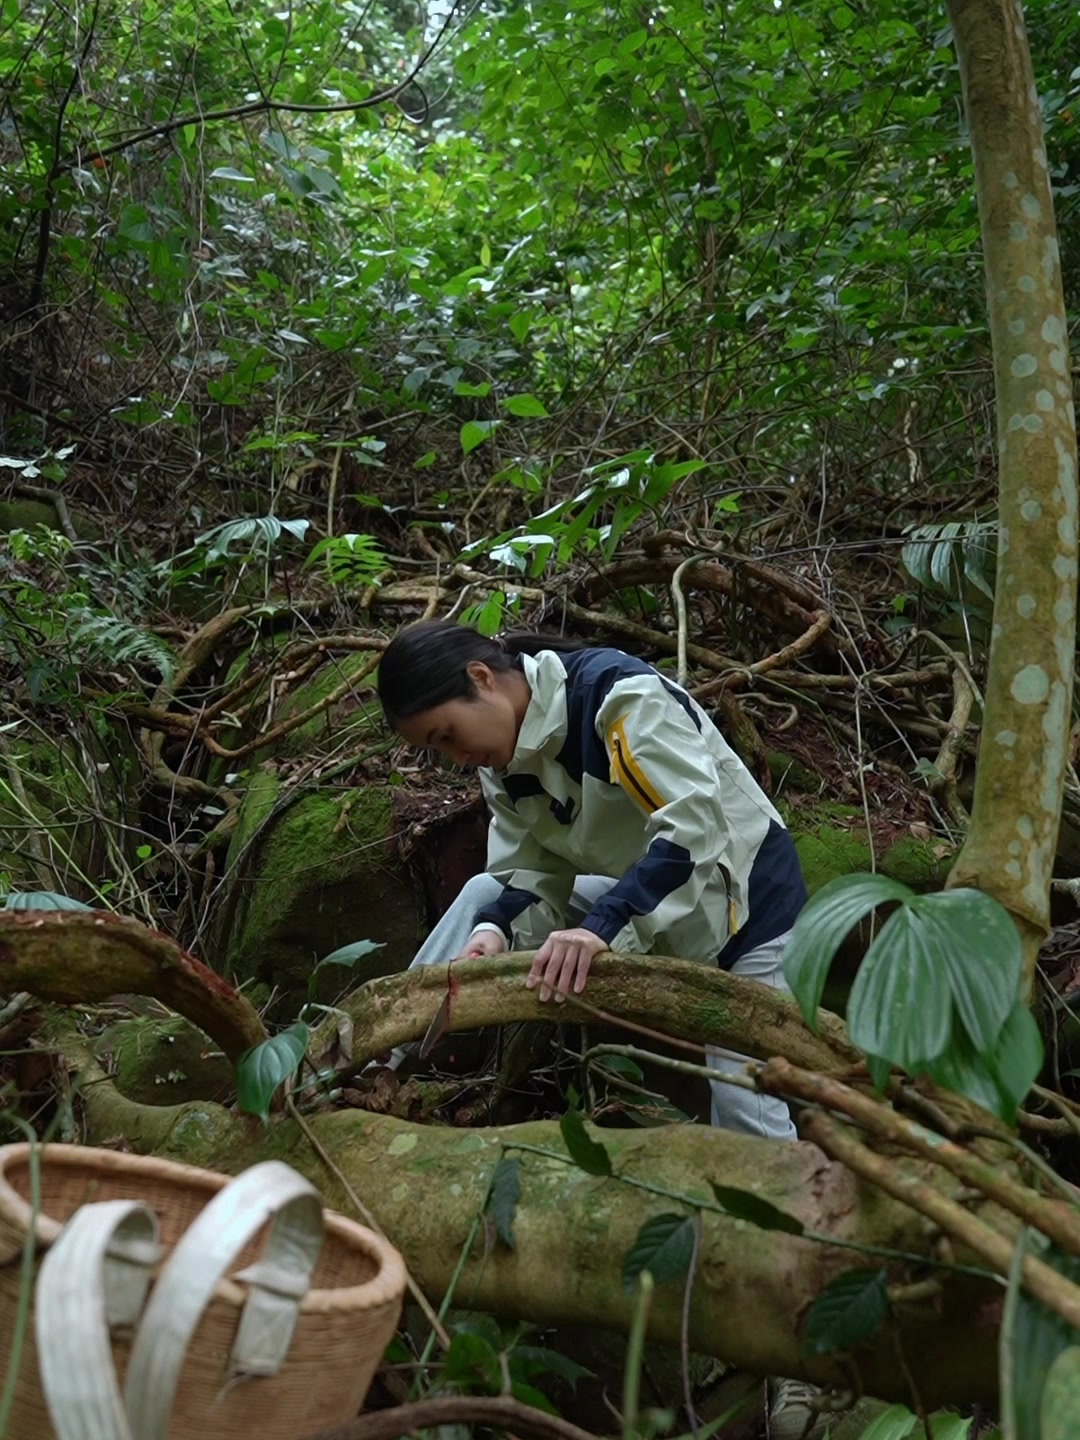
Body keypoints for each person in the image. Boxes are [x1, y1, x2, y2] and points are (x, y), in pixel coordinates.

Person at [375, 620, 824, 1438]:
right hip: (635, 910)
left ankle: (800, 1359)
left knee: (752, 1120)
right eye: (434, 750)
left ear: (484, 677)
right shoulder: (506, 764)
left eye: (446, 735)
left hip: (744, 914)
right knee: (479, 900)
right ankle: (387, 1058)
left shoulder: (622, 704)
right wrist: (496, 937)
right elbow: (525, 875)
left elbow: (692, 834)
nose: (452, 756)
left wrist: (599, 927)